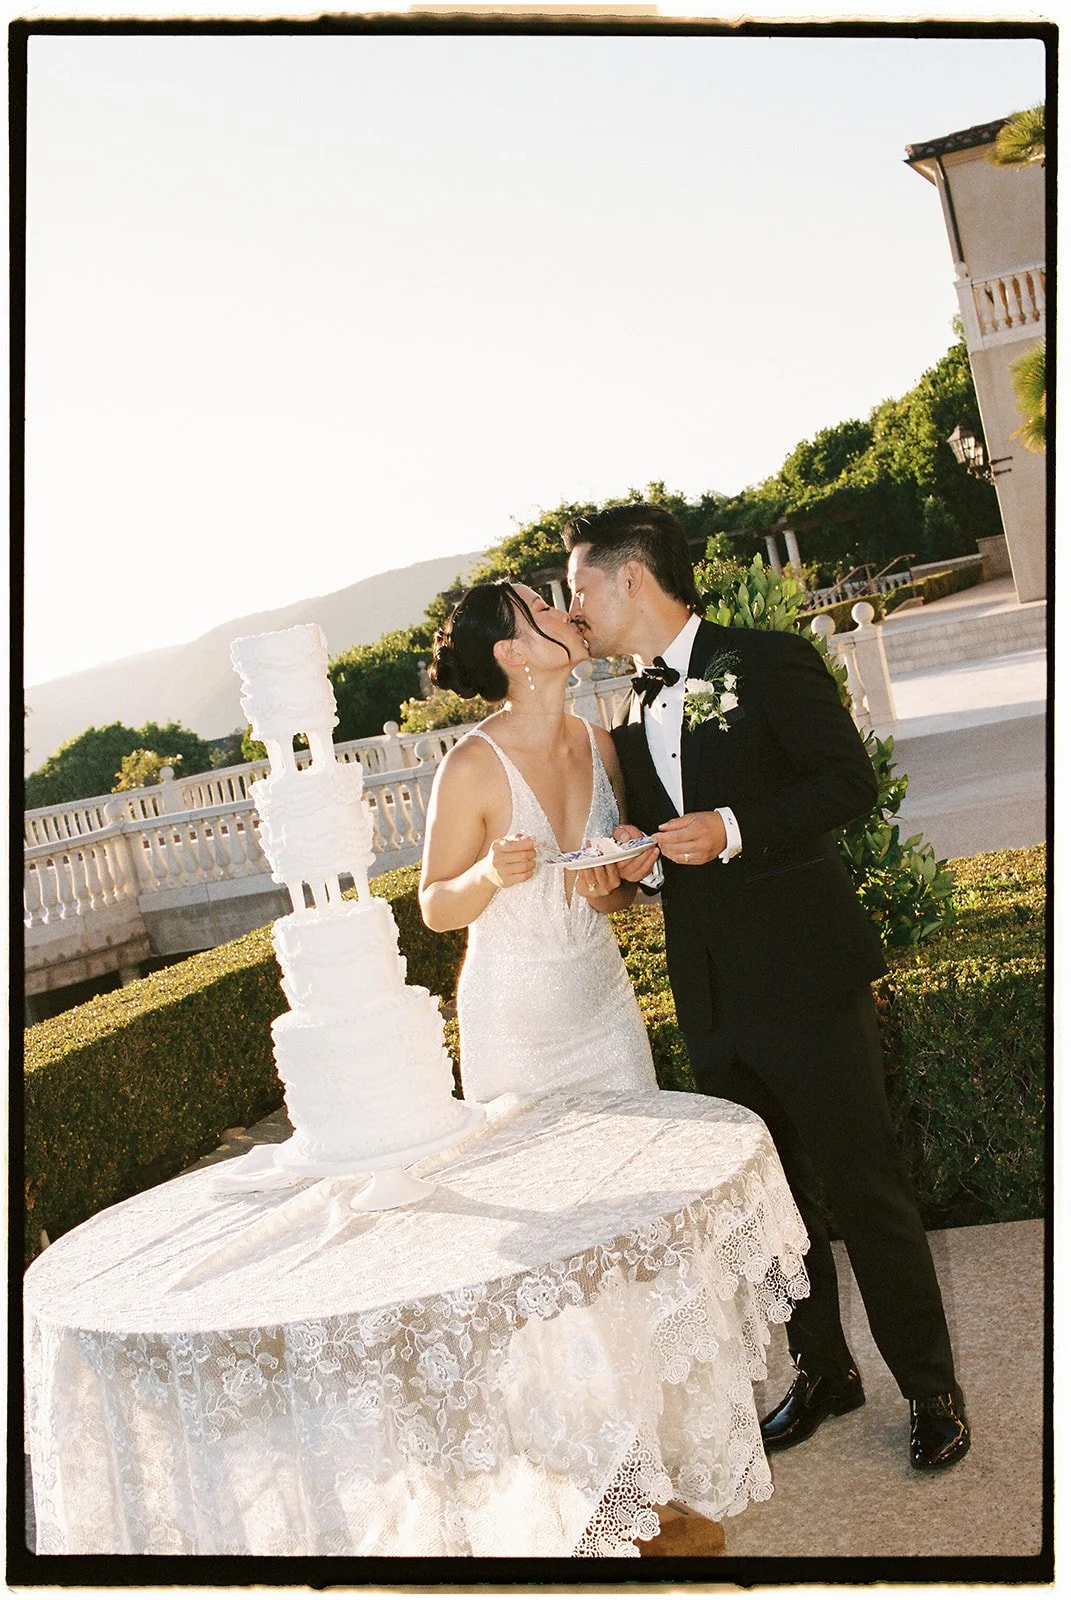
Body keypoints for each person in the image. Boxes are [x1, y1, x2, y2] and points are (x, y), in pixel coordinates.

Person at [562, 501, 971, 1473]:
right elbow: (678, 852)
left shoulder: (769, 658)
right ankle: (826, 1371)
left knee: (864, 1189)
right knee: (772, 1206)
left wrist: (736, 824)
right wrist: (645, 859)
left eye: (579, 588)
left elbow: (846, 785)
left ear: (630, 578)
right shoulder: (627, 711)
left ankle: (930, 1388)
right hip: (713, 996)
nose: (573, 609)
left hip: (807, 975)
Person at [418, 579, 658, 1103]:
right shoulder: (470, 766)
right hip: (514, 1029)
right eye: (543, 608)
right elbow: (434, 907)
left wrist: (618, 877)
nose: (565, 613)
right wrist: (487, 874)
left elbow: (611, 899)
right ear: (512, 651)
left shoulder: (600, 745)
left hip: (607, 1008)